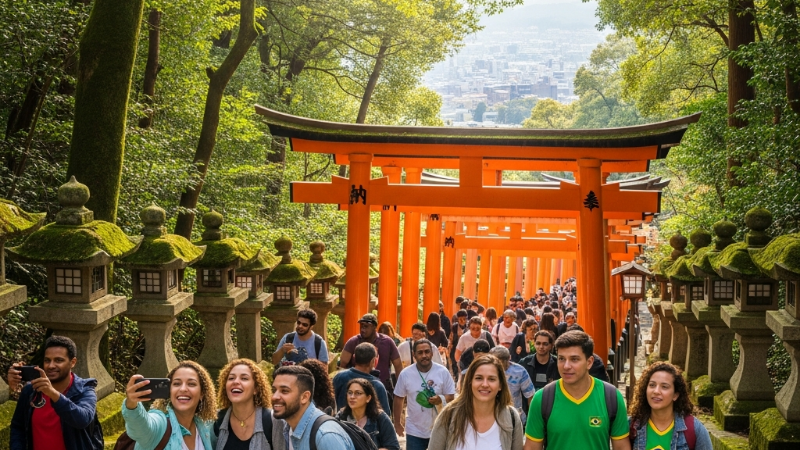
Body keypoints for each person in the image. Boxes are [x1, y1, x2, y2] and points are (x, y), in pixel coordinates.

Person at [523, 331, 630, 450]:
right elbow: (531, 447)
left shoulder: (611, 397)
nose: (566, 366)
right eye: (561, 359)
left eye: (574, 359)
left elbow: (621, 446)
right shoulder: (542, 399)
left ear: (589, 362)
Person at [9, 335, 104, 450]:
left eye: (59, 360)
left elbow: (82, 420)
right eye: (47, 360)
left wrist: (52, 393)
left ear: (73, 362)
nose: (51, 366)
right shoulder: (31, 390)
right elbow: (18, 427)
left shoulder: (85, 389)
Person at [428, 354, 524, 450]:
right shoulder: (449, 415)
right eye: (479, 378)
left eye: (491, 379)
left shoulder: (511, 418)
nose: (485, 384)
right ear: (470, 382)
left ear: (500, 385)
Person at [123, 360, 218, 450]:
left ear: (202, 393)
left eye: (191, 384)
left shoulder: (205, 427)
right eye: (177, 383)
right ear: (169, 391)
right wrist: (131, 403)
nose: (183, 389)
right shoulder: (160, 423)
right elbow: (141, 427)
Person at [628, 362, 712, 450]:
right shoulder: (632, 426)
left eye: (664, 387)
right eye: (652, 385)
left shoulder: (695, 429)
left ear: (675, 395)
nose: (656, 391)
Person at [272, 365, 355, 450]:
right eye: (274, 390)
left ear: (304, 397)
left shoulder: (325, 435)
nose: (274, 397)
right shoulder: (287, 428)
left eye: (284, 391)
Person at [393, 339, 455, 450]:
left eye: (427, 351)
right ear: (414, 355)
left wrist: (440, 399)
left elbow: (451, 397)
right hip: (414, 430)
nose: (424, 355)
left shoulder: (442, 372)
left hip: (439, 427)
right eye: (420, 353)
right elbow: (398, 397)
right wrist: (397, 423)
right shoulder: (406, 374)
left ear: (432, 353)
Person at [215, 358, 284, 449]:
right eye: (231, 378)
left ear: (256, 389)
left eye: (244, 378)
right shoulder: (216, 420)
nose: (235, 382)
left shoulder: (274, 421)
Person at [339, 314, 402, 396]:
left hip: (383, 387)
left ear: (374, 327)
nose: (362, 329)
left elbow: (398, 366)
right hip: (357, 389)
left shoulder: (387, 342)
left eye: (366, 326)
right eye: (361, 326)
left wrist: (400, 389)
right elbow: (343, 364)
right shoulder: (353, 342)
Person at [335, 378, 399, 450]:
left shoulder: (380, 417)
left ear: (368, 398)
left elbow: (393, 447)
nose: (352, 397)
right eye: (350, 393)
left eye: (358, 393)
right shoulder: (341, 416)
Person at [333, 343, 392, 414]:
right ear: (373, 361)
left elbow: (330, 403)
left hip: (340, 420)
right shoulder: (377, 386)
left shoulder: (339, 377)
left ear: (354, 357)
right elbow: (385, 415)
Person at [489, 346, 535, 423]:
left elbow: (530, 395)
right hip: (492, 416)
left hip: (514, 417)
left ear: (509, 358)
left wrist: (532, 418)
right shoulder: (486, 370)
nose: (499, 366)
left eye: (502, 363)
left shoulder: (520, 371)